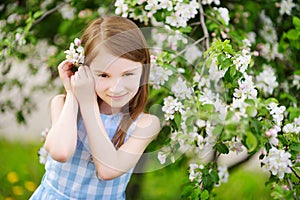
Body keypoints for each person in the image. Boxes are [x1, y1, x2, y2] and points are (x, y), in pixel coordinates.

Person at [30, 16, 160, 199]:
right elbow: (60, 152)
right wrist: (73, 93)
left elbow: (107, 170)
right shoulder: (62, 104)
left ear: (143, 70)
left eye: (128, 74)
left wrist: (89, 104)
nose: (116, 87)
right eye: (104, 75)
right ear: (84, 70)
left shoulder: (145, 124)